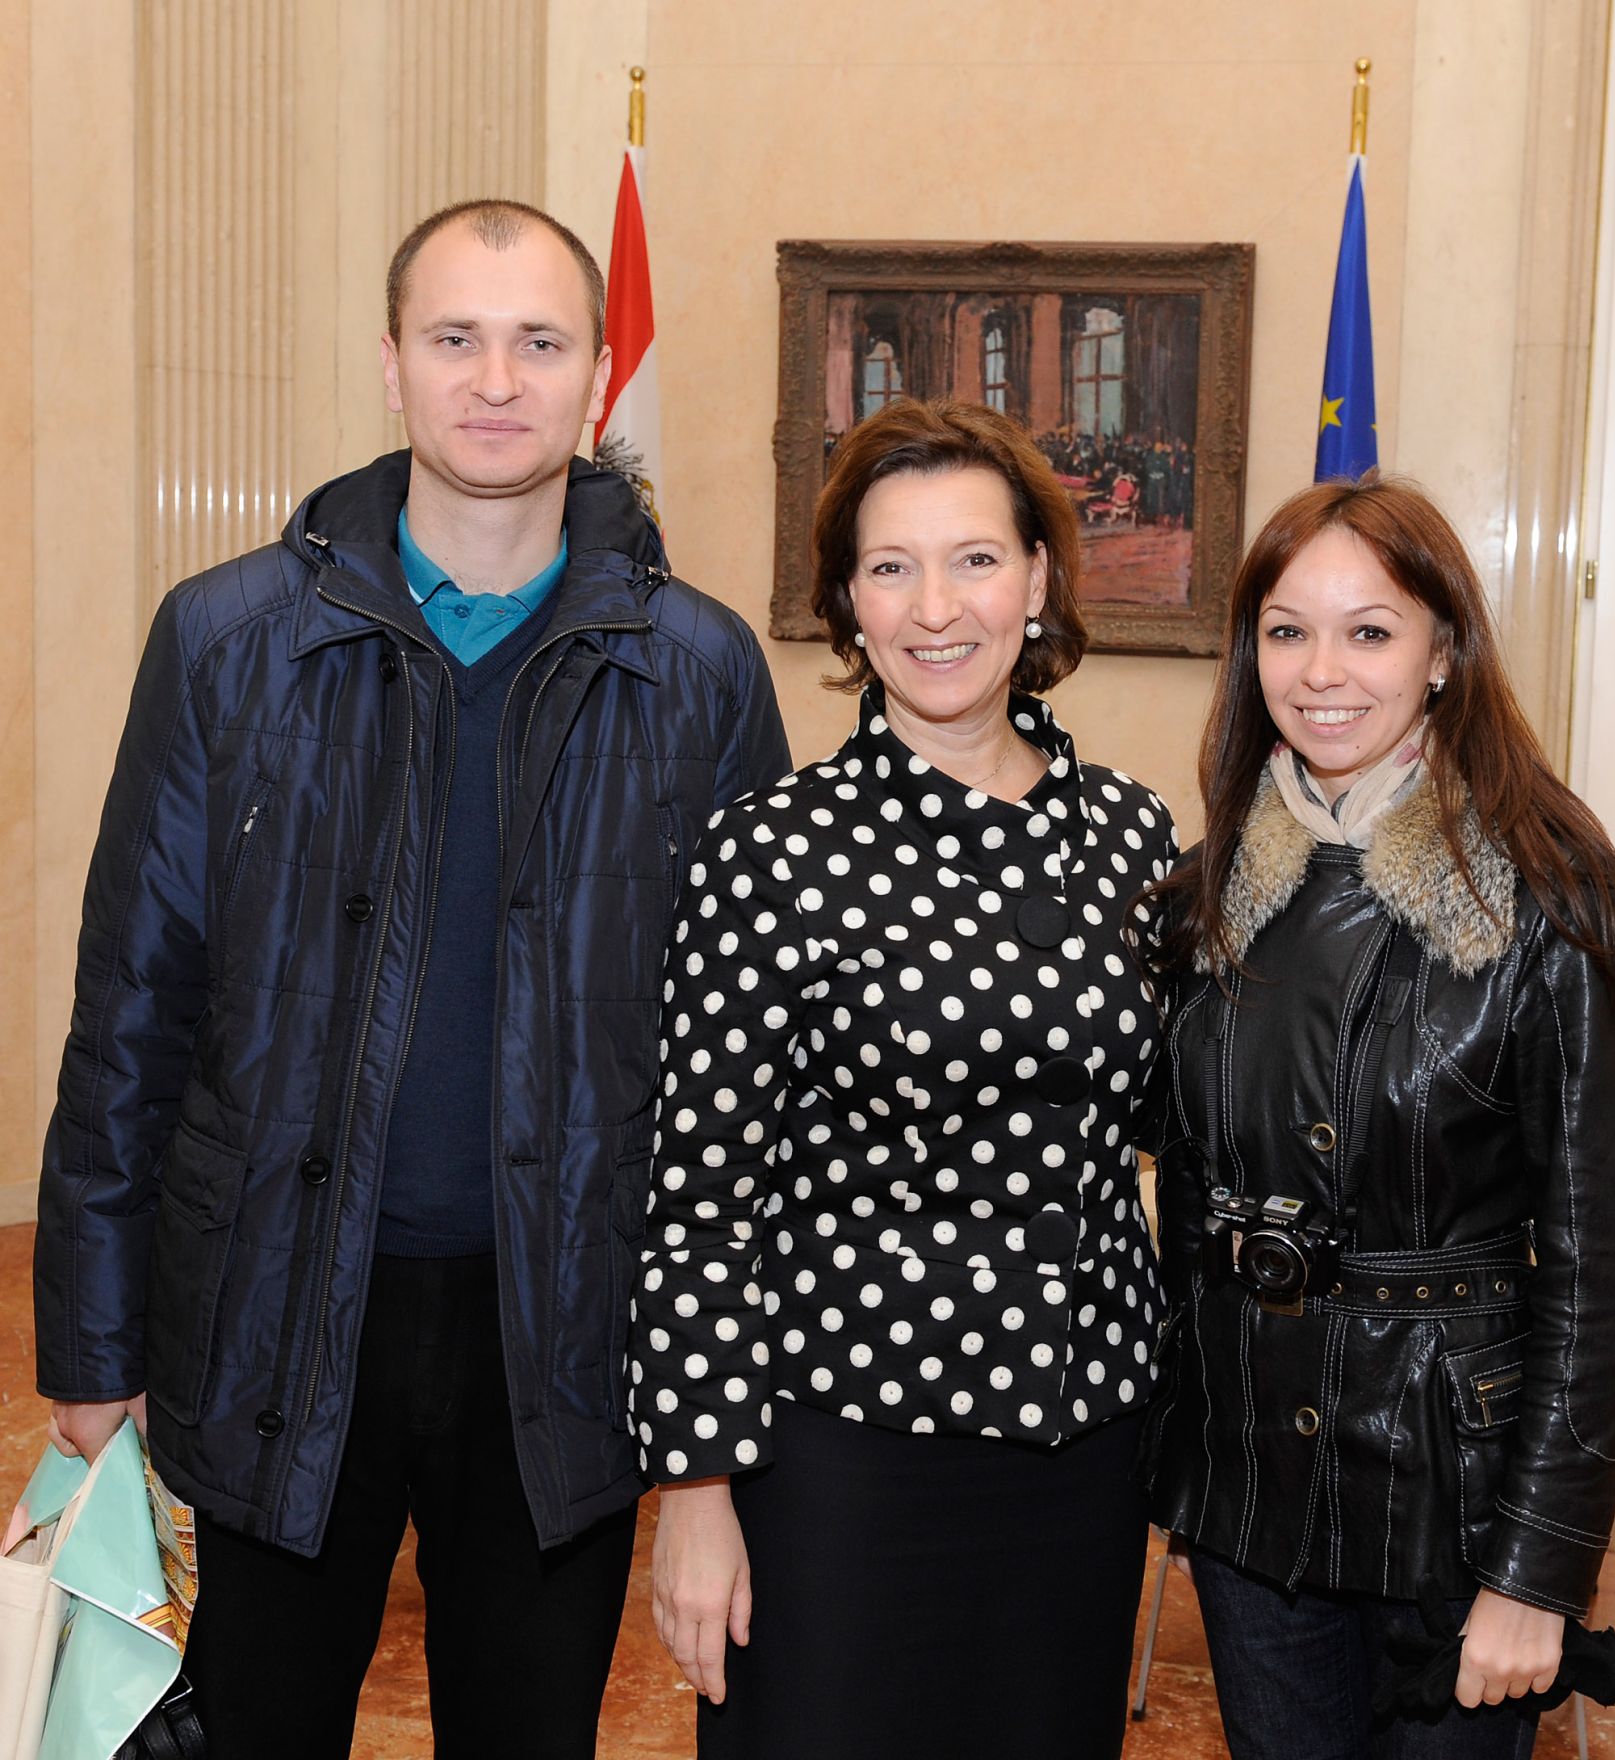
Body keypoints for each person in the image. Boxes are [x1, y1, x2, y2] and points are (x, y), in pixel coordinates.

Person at [33, 198, 789, 1757]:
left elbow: (744, 1071)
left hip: (562, 1334)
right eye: (455, 338)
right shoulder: (225, 641)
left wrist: (719, 1399)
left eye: (537, 342)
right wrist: (94, 1354)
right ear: (392, 365)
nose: (494, 380)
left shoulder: (700, 670)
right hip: (270, 1313)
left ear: (596, 376)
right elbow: (132, 1014)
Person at [628, 397, 1179, 1759]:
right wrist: (695, 1491)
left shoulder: (1132, 833)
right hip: (844, 1461)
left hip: (1083, 1447)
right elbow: (698, 1197)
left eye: (976, 559)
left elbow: (1175, 1116)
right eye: (891, 566)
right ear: (846, 606)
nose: (938, 606)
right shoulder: (772, 850)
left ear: (1040, 581)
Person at [1141, 474, 1615, 1759]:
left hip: (1453, 1494)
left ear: (1440, 654)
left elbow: (1593, 1267)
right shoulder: (1203, 897)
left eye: (1368, 630)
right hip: (1252, 1489)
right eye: (1285, 628)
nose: (1321, 670)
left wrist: (1538, 1567)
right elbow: (1176, 1195)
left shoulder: (1546, 890)